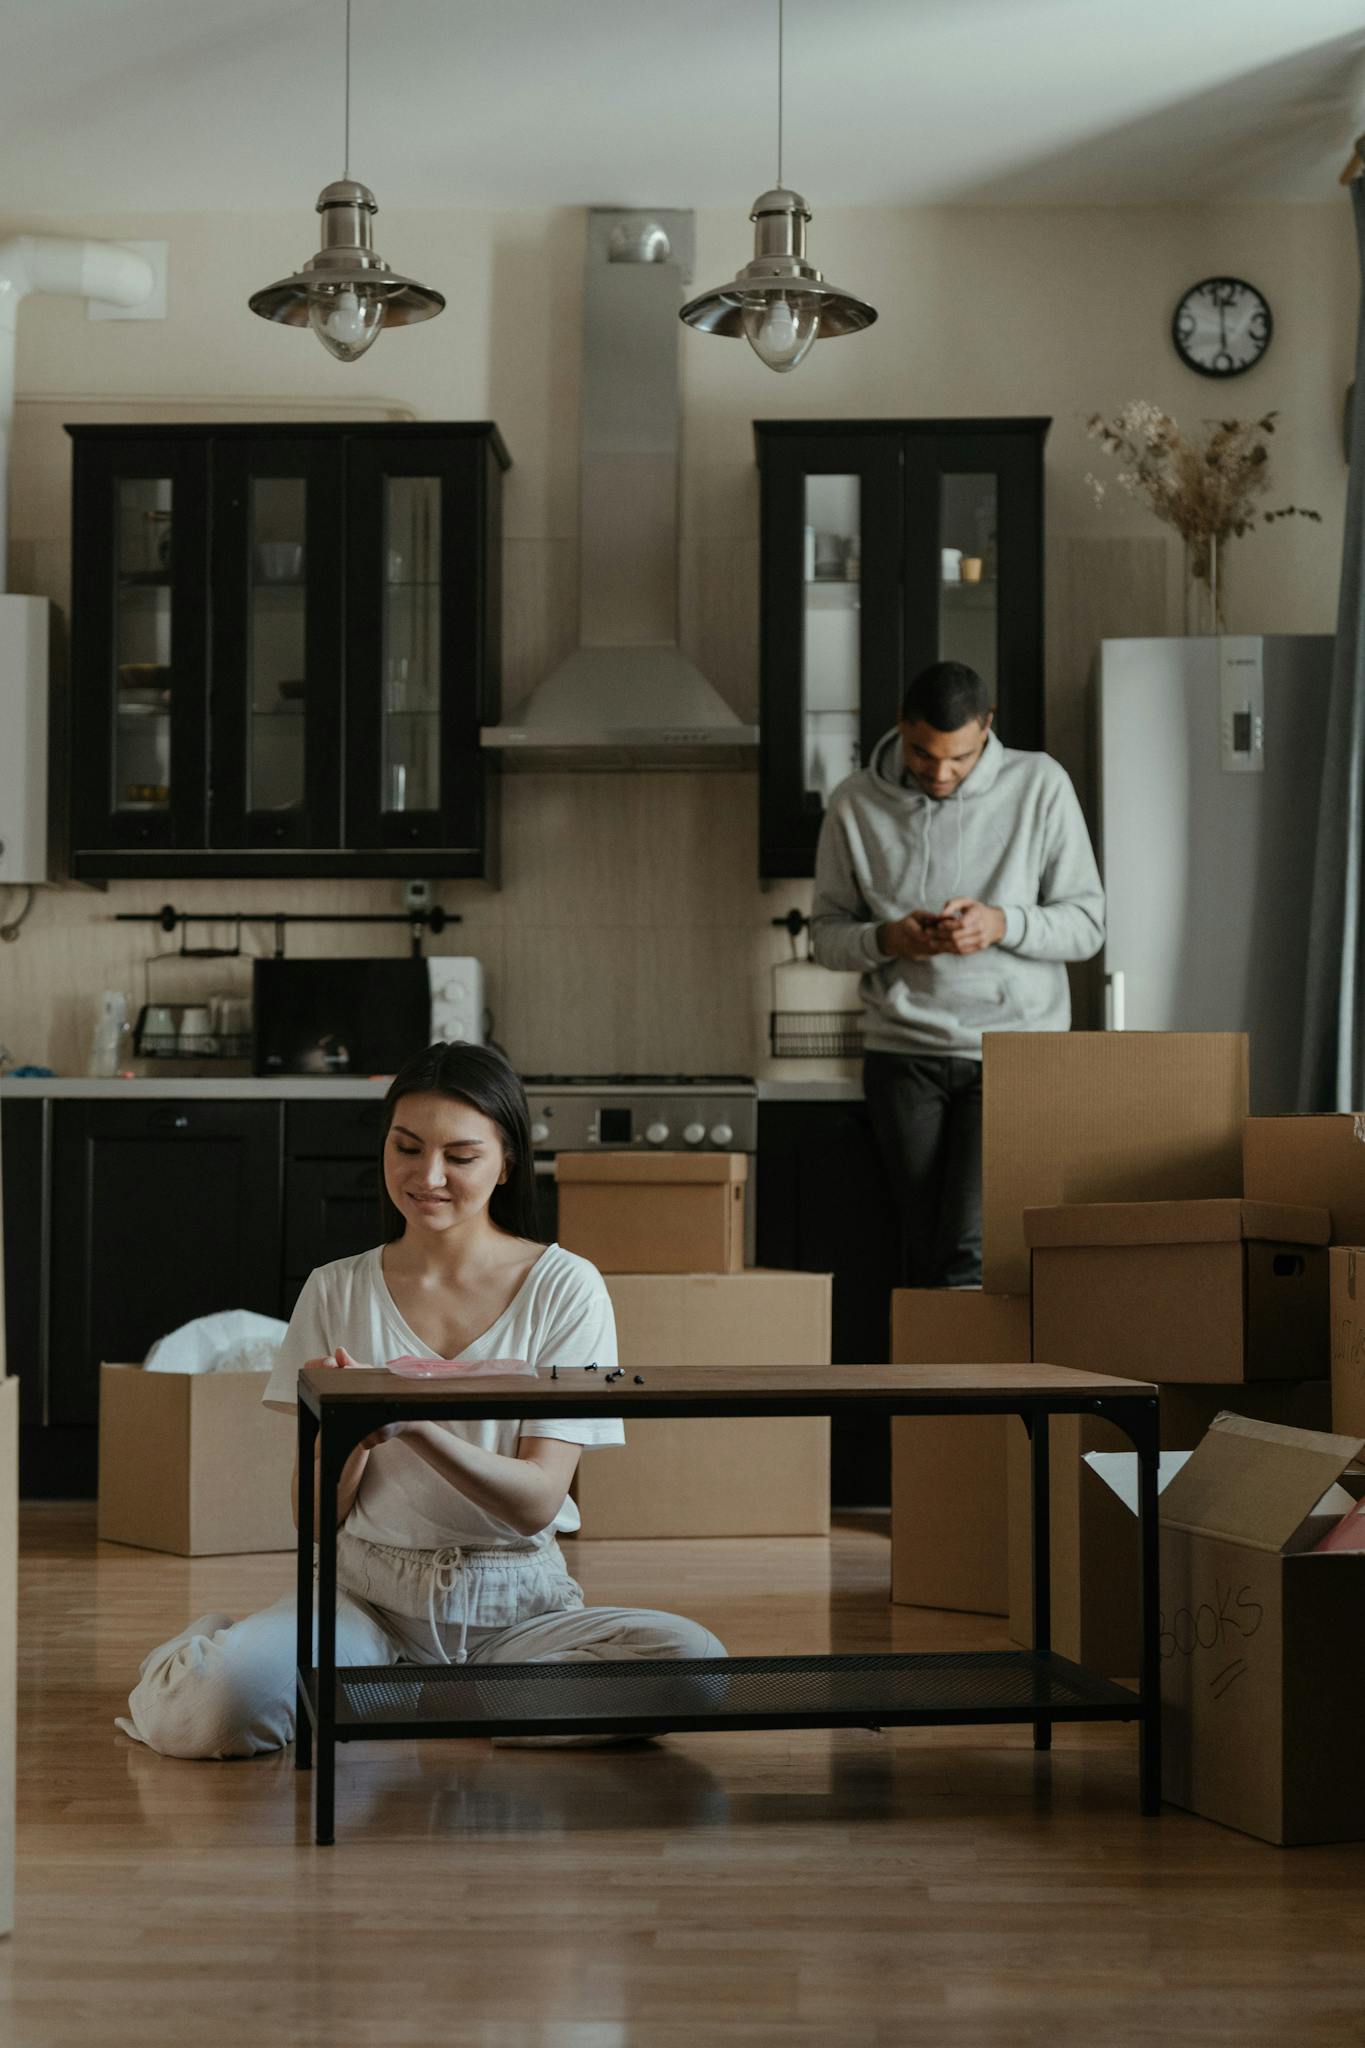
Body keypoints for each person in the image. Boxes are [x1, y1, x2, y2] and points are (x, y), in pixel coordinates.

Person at [116, 1041, 725, 1760]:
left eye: (460, 1157)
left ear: (507, 1162)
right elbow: (312, 1518)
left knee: (696, 1666)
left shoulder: (567, 1286)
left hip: (517, 1610)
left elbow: (536, 1501)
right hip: (364, 1601)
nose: (427, 1176)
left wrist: (413, 1423)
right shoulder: (335, 1288)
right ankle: (346, 1679)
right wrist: (349, 1438)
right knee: (210, 1712)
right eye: (406, 1147)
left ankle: (404, 1696)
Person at [811, 660, 1104, 1289]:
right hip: (902, 1055)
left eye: (960, 758)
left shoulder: (1040, 784)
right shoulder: (854, 803)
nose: (940, 773)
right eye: (923, 753)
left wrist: (1002, 924)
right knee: (920, 1250)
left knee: (970, 1249)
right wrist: (888, 939)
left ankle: (970, 1388)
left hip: (1013, 1049)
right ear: (901, 726)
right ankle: (936, 1383)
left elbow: (1087, 926)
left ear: (987, 729)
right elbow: (826, 938)